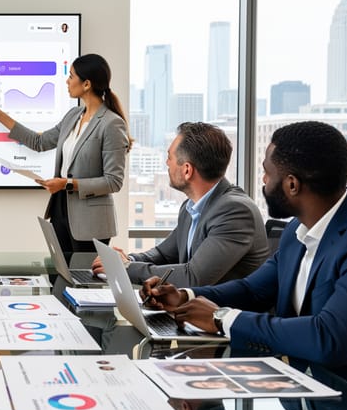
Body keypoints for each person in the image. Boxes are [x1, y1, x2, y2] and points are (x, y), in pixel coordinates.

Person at [143, 121, 347, 392]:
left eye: (267, 172)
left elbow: (330, 338)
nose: (263, 180)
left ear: (292, 185)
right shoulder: (296, 232)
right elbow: (252, 291)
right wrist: (185, 296)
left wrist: (221, 318)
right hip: (300, 395)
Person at [0, 54, 131, 253]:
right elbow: (39, 142)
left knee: (84, 280)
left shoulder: (111, 123)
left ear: (86, 84)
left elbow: (113, 181)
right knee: (63, 275)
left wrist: (67, 183)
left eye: (71, 76)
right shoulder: (73, 116)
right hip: (61, 210)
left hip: (90, 221)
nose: (67, 81)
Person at [91, 122, 268, 287]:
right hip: (193, 310)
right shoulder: (191, 206)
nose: (167, 163)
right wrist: (127, 259)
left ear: (187, 170)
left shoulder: (235, 211)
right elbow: (163, 254)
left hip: (223, 315)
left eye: (170, 158)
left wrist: (126, 268)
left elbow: (193, 277)